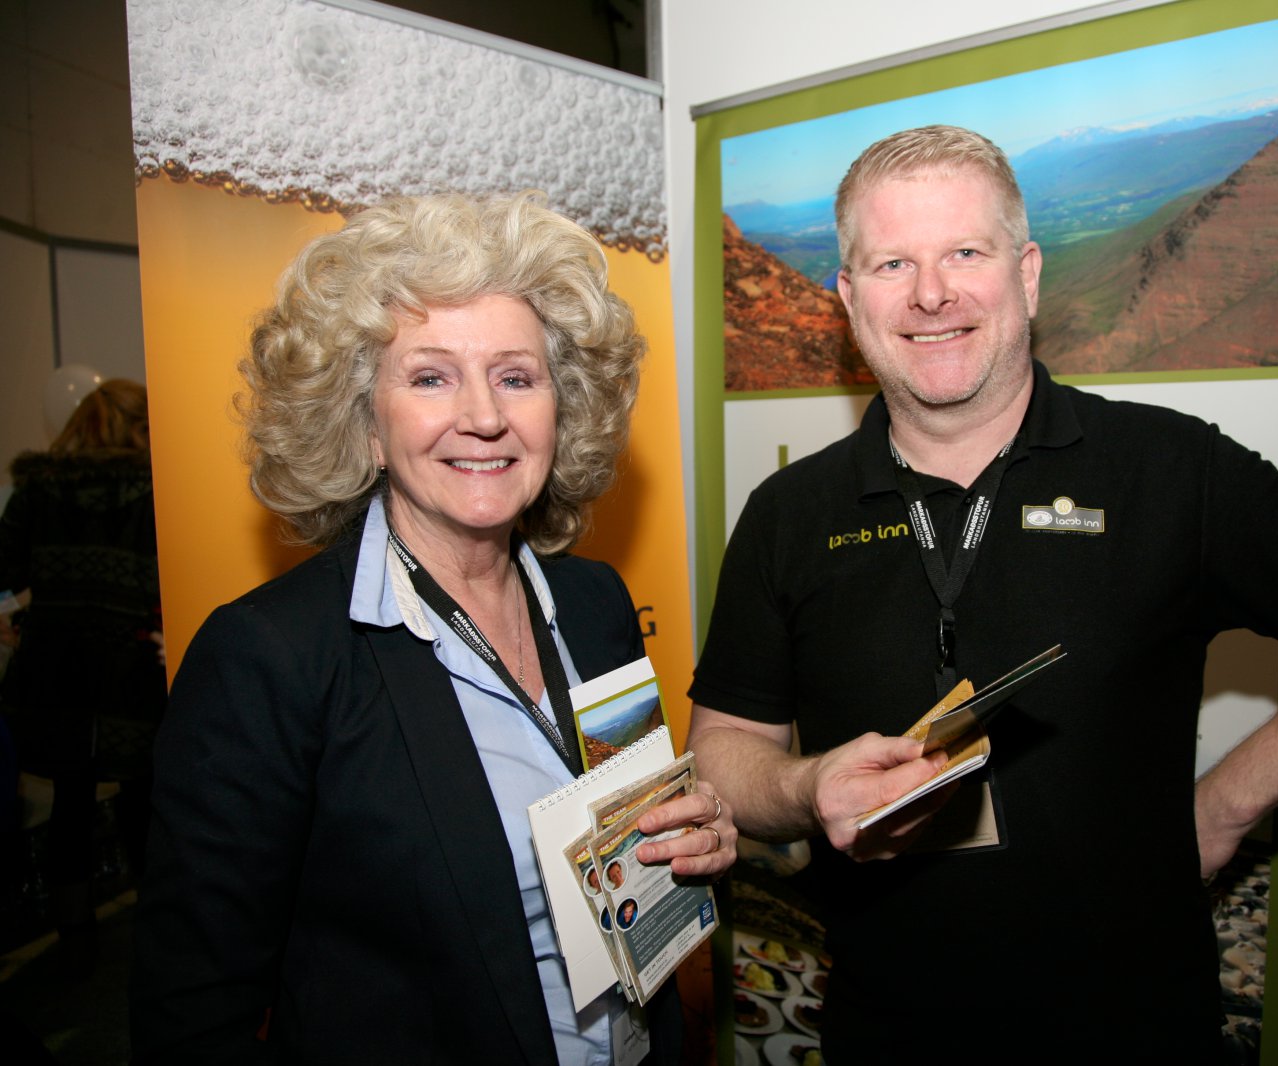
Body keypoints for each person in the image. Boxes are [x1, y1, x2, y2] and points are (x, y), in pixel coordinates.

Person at [686, 126, 1278, 1061]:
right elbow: (723, 755)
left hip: (1136, 1034)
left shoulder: (1170, 469)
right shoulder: (787, 514)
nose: (931, 293)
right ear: (849, 299)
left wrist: (1223, 807)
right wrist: (806, 785)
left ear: (1026, 275)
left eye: (965, 253)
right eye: (893, 263)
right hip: (885, 1034)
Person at [131, 191, 738, 1064]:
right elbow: (191, 1016)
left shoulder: (595, 604)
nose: (484, 416)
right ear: (365, 423)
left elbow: (632, 862)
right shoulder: (271, 658)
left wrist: (690, 843)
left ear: (561, 408)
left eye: (515, 377)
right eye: (430, 377)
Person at [0, 378, 165, 973]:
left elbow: (5, 570)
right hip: (130, 666)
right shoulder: (153, 490)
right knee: (144, 797)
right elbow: (164, 575)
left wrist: (22, 616)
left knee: (70, 801)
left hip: (55, 669)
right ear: (138, 427)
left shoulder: (37, 490)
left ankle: (74, 942)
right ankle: (157, 935)